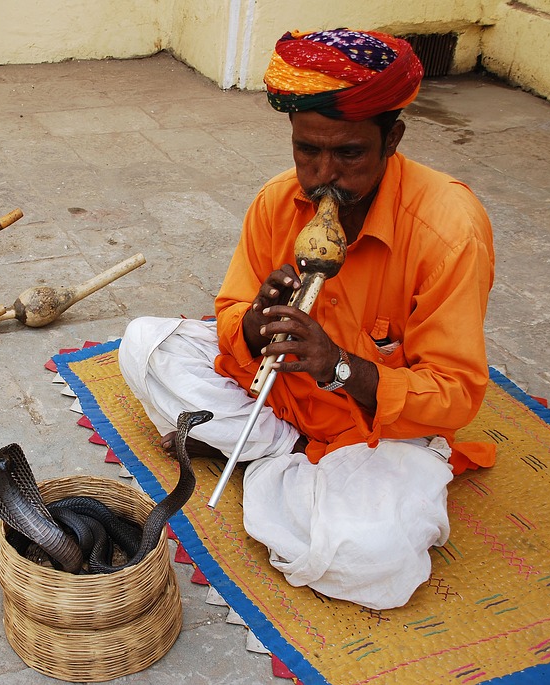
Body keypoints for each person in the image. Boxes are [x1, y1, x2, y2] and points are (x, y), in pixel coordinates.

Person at [118, 28, 496, 610]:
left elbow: (456, 396)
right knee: (145, 343)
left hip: (379, 432)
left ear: (391, 138)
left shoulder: (449, 230)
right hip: (284, 401)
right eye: (306, 151)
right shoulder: (277, 200)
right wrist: (254, 323)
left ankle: (283, 468)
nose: (323, 175)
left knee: (374, 561)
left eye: (348, 154)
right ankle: (289, 457)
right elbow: (228, 316)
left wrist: (339, 367)